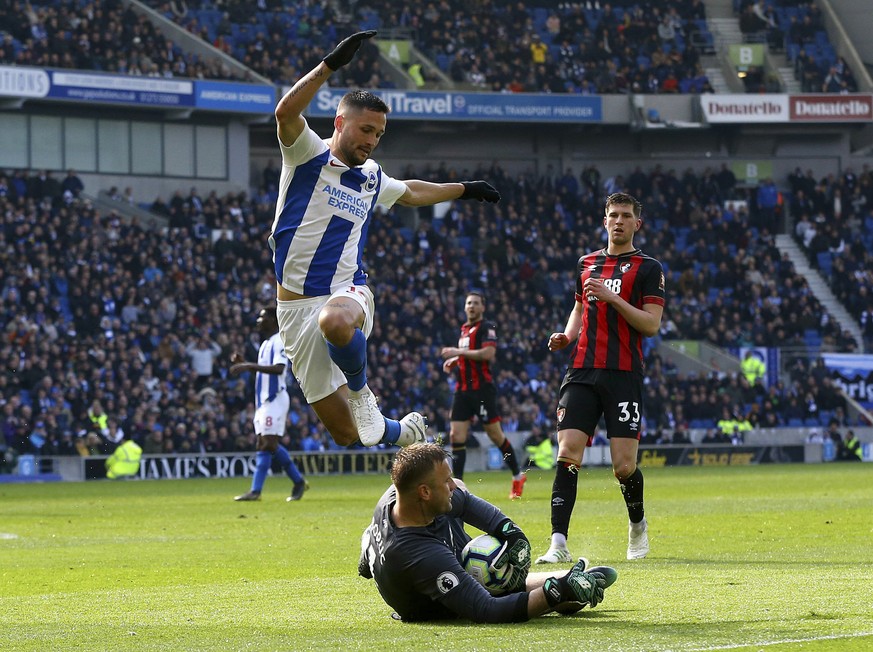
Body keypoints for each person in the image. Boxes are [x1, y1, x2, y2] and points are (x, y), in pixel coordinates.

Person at [270, 30, 501, 450]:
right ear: (340, 122)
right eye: (366, 129)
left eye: (379, 133)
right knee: (348, 435)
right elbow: (285, 112)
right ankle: (405, 431)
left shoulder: (372, 176)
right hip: (292, 310)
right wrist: (330, 65)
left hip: (346, 292)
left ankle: (362, 393)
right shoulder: (307, 155)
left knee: (335, 321)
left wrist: (464, 188)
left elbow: (410, 192)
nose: (372, 140)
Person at [536, 192, 665, 564]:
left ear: (636, 224)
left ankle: (637, 523)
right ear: (605, 221)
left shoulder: (648, 268)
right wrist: (567, 335)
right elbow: (579, 307)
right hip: (580, 370)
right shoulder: (587, 263)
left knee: (623, 467)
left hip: (624, 374)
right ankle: (558, 544)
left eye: (626, 215)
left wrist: (614, 299)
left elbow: (651, 325)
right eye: (613, 215)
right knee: (567, 453)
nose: (619, 221)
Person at [358, 443, 616, 622]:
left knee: (460, 490)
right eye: (444, 481)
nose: (451, 485)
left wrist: (510, 531)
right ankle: (558, 585)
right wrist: (554, 594)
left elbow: (464, 499)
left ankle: (558, 582)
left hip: (430, 549)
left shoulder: (396, 496)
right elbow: (486, 610)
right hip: (444, 597)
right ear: (424, 492)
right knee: (558, 592)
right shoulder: (423, 556)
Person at [440, 291, 526, 499]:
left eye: (476, 303)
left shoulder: (486, 328)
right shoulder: (464, 330)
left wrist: (458, 353)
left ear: (482, 308)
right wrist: (456, 361)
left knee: (495, 436)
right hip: (462, 390)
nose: (471, 306)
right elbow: (469, 355)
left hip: (482, 390)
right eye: (469, 303)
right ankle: (458, 487)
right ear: (464, 307)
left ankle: (517, 475)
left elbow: (488, 354)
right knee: (455, 436)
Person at [231, 307, 308, 502]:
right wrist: (246, 364)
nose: (258, 320)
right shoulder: (265, 344)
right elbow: (263, 374)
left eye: (262, 317)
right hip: (263, 401)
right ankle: (298, 482)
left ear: (274, 321)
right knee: (265, 444)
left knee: (267, 444)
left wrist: (249, 365)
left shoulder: (279, 341)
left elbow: (279, 368)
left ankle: (256, 491)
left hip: (275, 399)